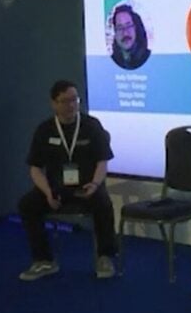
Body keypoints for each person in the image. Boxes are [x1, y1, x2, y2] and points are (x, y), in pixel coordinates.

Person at [16, 80, 119, 281]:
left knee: (104, 203)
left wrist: (96, 184)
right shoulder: (45, 130)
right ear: (54, 103)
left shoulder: (91, 125)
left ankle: (105, 256)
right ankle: (44, 260)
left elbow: (103, 161)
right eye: (65, 101)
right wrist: (46, 192)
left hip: (87, 186)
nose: (71, 105)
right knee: (27, 205)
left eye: (74, 100)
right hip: (56, 188)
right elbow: (35, 168)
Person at [110, 5, 151, 70]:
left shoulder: (149, 57)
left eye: (128, 26)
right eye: (120, 28)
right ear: (115, 32)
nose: (125, 33)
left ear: (135, 28)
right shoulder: (110, 62)